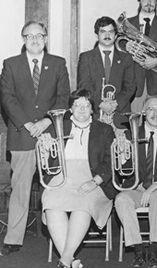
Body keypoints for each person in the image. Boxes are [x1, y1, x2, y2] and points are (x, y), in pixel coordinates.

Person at [0, 21, 70, 256]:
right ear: (23, 39)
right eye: (29, 36)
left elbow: (64, 96)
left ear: (46, 37)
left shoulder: (58, 63)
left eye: (39, 35)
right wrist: (28, 123)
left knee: (53, 187)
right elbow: (7, 98)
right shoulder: (10, 64)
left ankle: (57, 234)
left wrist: (46, 121)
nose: (34, 39)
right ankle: (13, 239)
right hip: (22, 136)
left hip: (50, 134)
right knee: (20, 189)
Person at [38, 89, 115, 268]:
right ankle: (70, 261)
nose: (81, 110)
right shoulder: (58, 126)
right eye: (77, 105)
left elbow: (109, 161)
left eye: (86, 106)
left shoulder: (104, 130)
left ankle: (64, 261)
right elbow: (46, 164)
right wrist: (46, 151)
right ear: (70, 109)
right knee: (50, 201)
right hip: (61, 178)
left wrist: (94, 181)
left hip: (93, 180)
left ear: (92, 110)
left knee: (84, 203)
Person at [114, 96, 157, 268]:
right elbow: (124, 171)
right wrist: (122, 157)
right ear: (144, 112)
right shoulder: (131, 134)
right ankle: (138, 250)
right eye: (151, 109)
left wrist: (154, 187)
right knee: (121, 199)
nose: (155, 113)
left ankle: (153, 250)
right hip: (137, 187)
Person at [78, 16, 136, 130]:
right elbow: (84, 85)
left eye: (111, 32)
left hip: (120, 114)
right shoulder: (86, 57)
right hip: (94, 114)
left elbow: (130, 86)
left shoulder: (126, 58)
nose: (107, 35)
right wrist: (100, 104)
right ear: (97, 35)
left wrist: (115, 104)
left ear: (116, 35)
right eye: (103, 32)